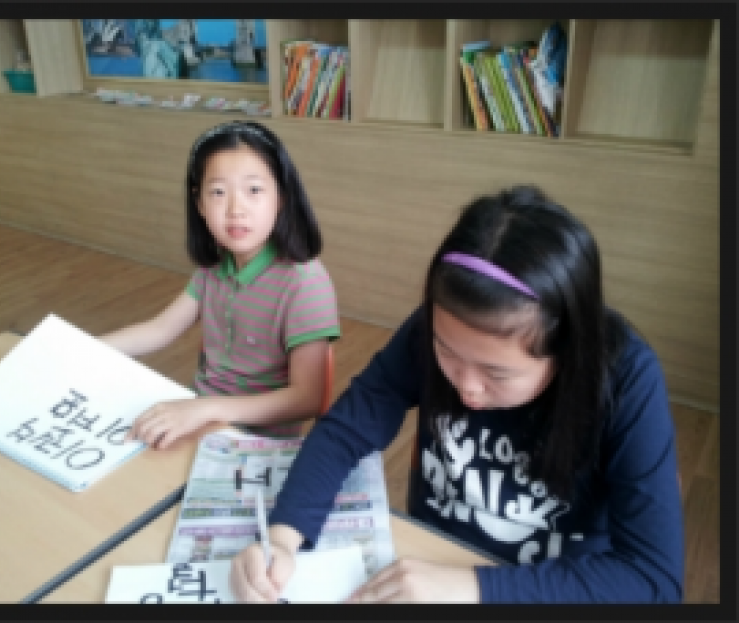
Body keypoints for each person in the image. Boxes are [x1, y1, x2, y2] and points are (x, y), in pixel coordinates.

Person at [229, 185, 684, 603]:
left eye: (496, 373)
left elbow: (653, 579)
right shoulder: (441, 325)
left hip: (552, 587)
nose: (465, 385)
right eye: (445, 351)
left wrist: (473, 587)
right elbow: (347, 429)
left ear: (565, 350)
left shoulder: (626, 380)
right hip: (433, 555)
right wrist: (283, 536)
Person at [100, 120, 340, 448]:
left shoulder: (305, 283)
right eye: (218, 192)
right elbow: (160, 330)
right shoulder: (214, 268)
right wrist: (74, 348)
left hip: (259, 442)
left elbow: (307, 398)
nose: (235, 209)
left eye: (254, 190)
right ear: (199, 204)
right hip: (200, 419)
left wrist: (205, 409)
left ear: (281, 197)